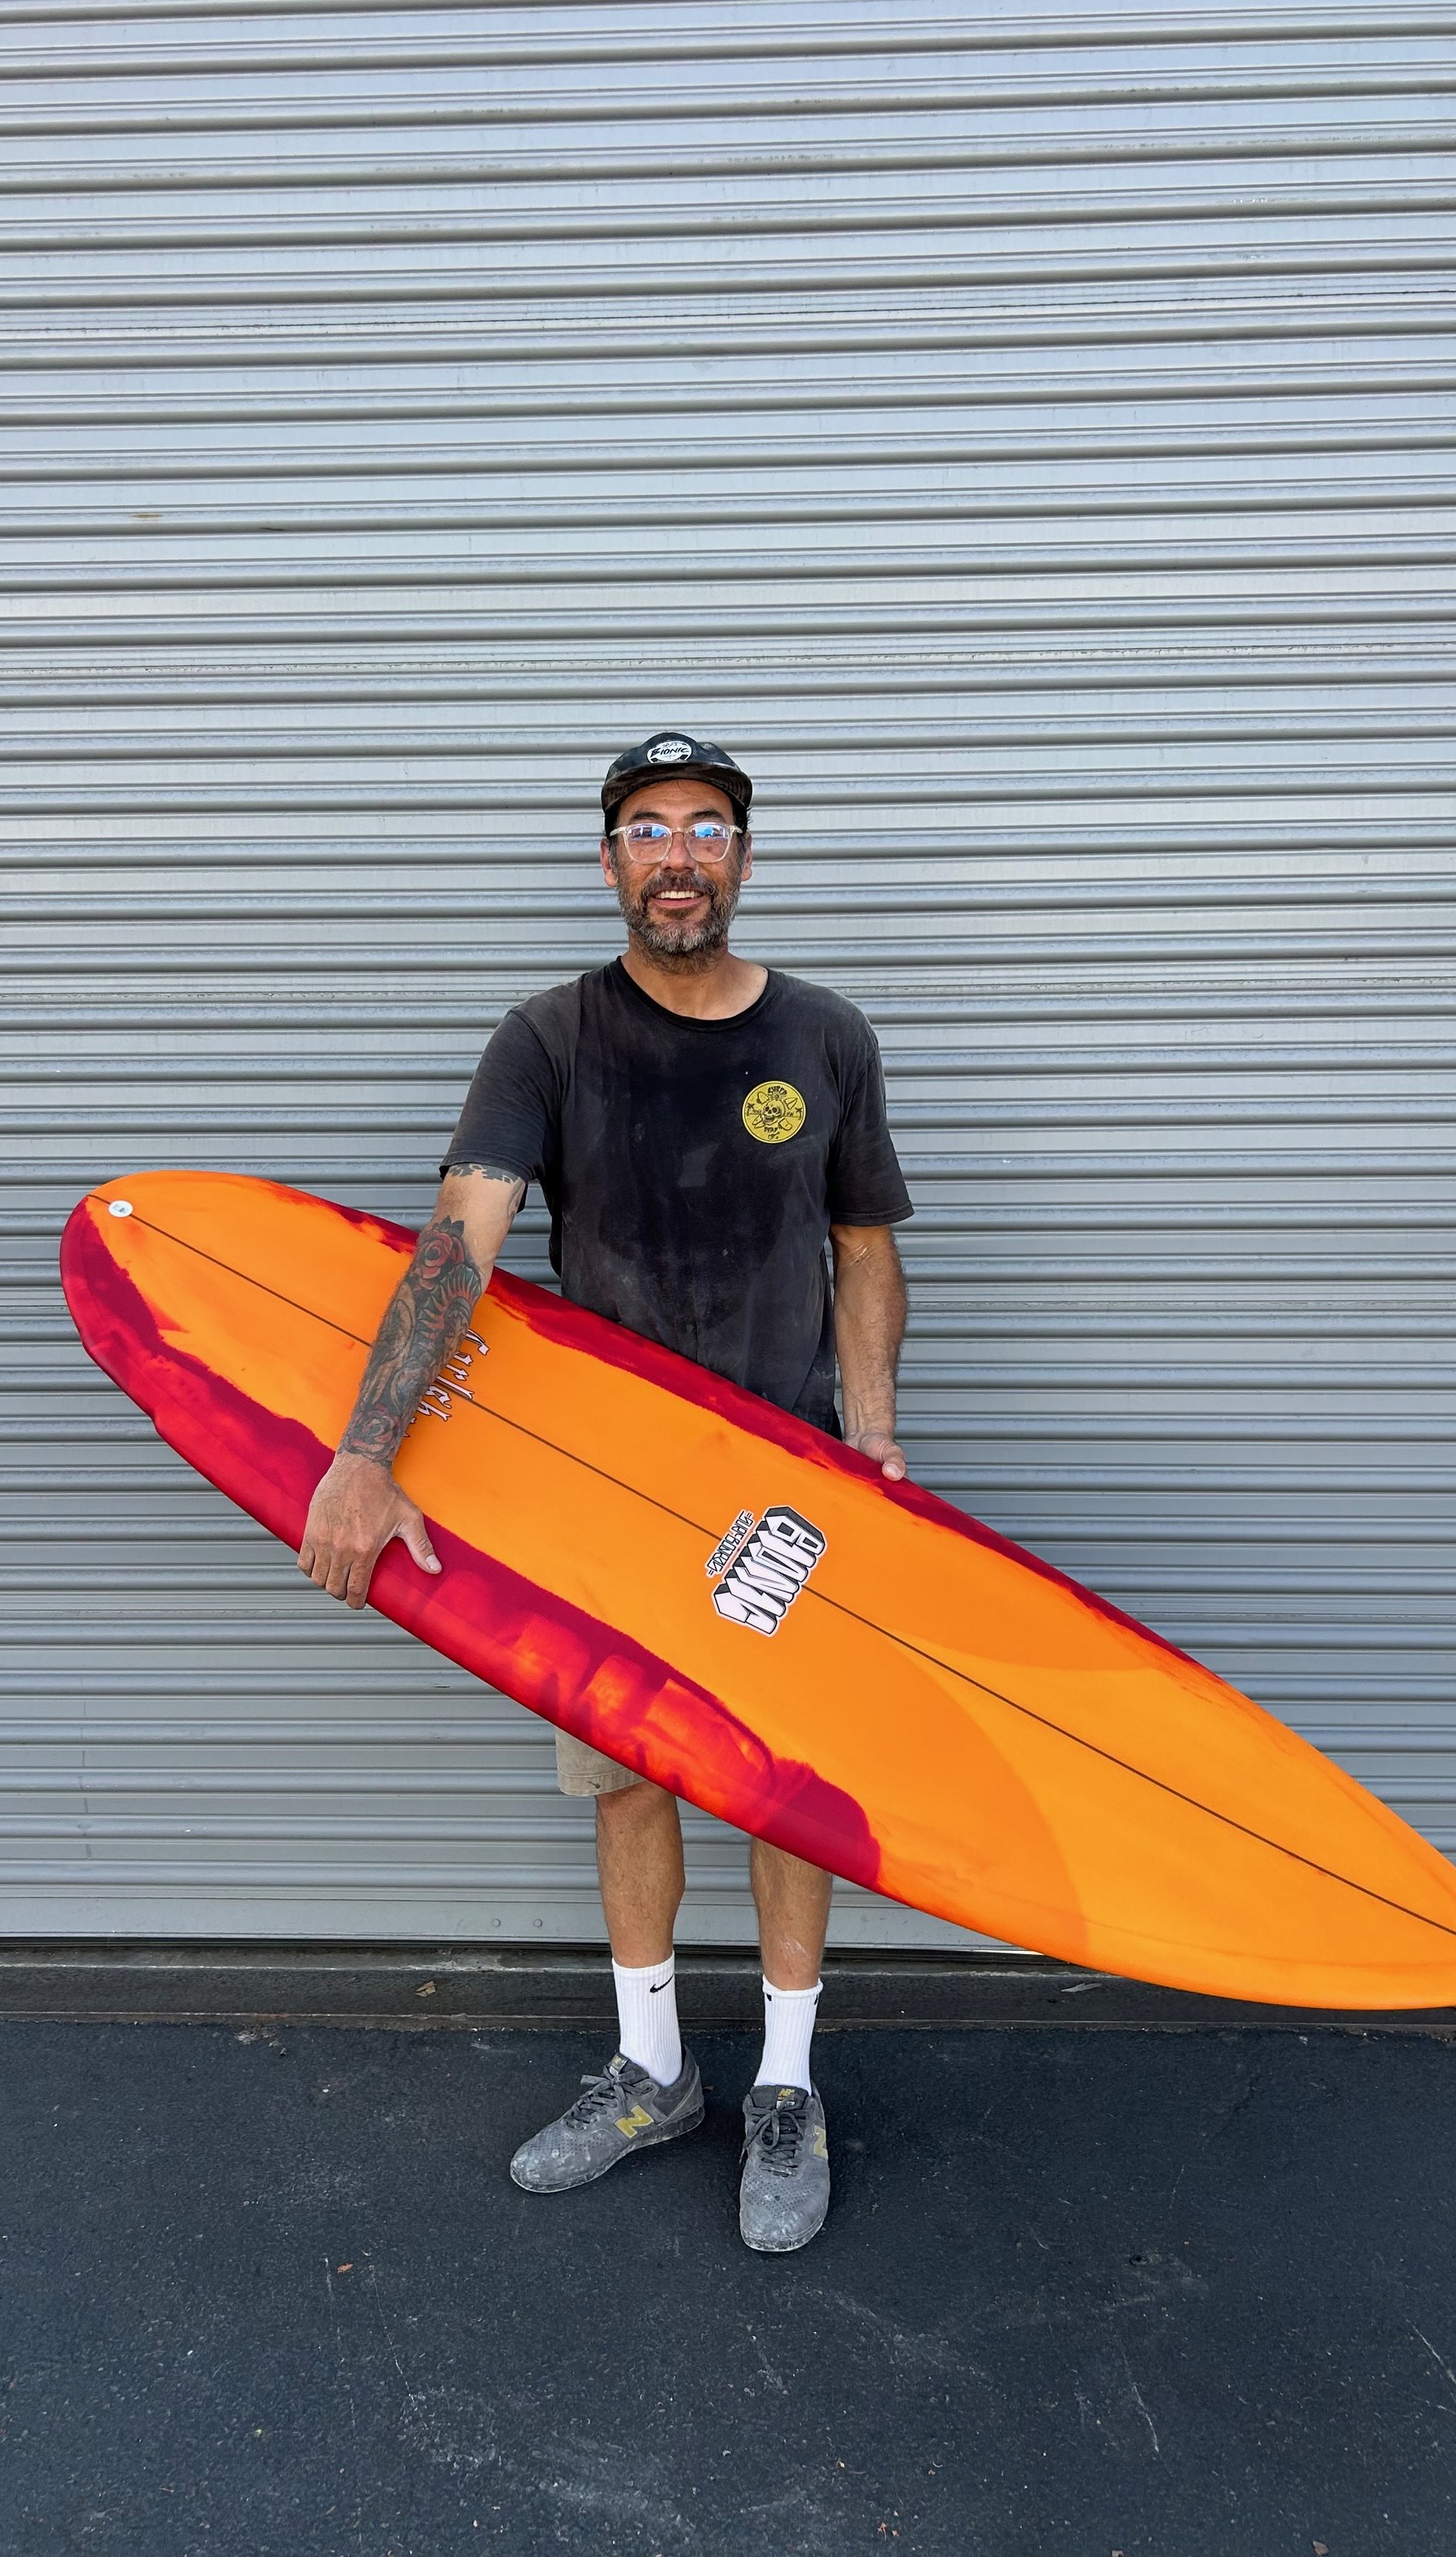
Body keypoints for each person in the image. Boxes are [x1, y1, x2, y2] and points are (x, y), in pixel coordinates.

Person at [296, 731, 913, 2252]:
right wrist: (366, 1451)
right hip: (604, 1493)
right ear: (609, 864)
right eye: (646, 828)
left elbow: (862, 1249)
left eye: (706, 827)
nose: (677, 853)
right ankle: (651, 2071)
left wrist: (877, 1446)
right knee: (630, 1769)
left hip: (788, 1486)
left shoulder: (823, 1035)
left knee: (778, 1779)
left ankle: (781, 2082)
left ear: (744, 862)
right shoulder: (549, 1038)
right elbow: (459, 1243)